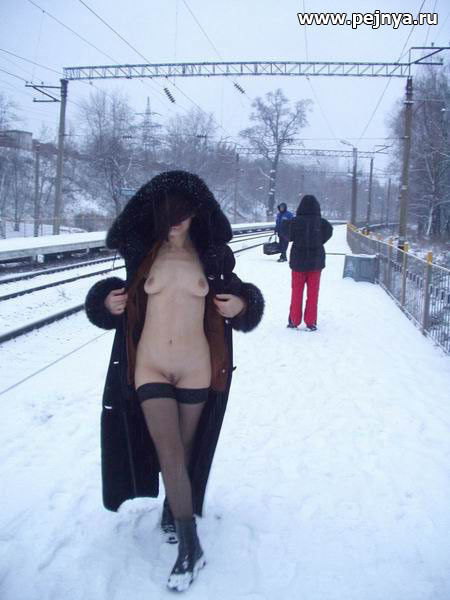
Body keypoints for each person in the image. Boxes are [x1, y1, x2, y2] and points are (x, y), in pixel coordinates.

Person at [84, 171, 264, 592]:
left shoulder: (212, 258)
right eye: (168, 215)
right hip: (149, 366)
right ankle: (190, 545)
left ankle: (174, 508)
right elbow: (112, 295)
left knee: (182, 452)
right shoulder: (143, 254)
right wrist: (104, 301)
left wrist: (242, 305)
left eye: (183, 215)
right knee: (168, 448)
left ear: (196, 214)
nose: (175, 222)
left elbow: (246, 297)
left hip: (196, 368)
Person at [281, 194, 333, 331]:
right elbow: (329, 232)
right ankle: (311, 322)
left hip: (298, 263)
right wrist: (319, 241)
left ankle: (294, 321)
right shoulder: (322, 223)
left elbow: (286, 234)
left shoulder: (295, 222)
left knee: (296, 292)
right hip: (316, 263)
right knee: (313, 293)